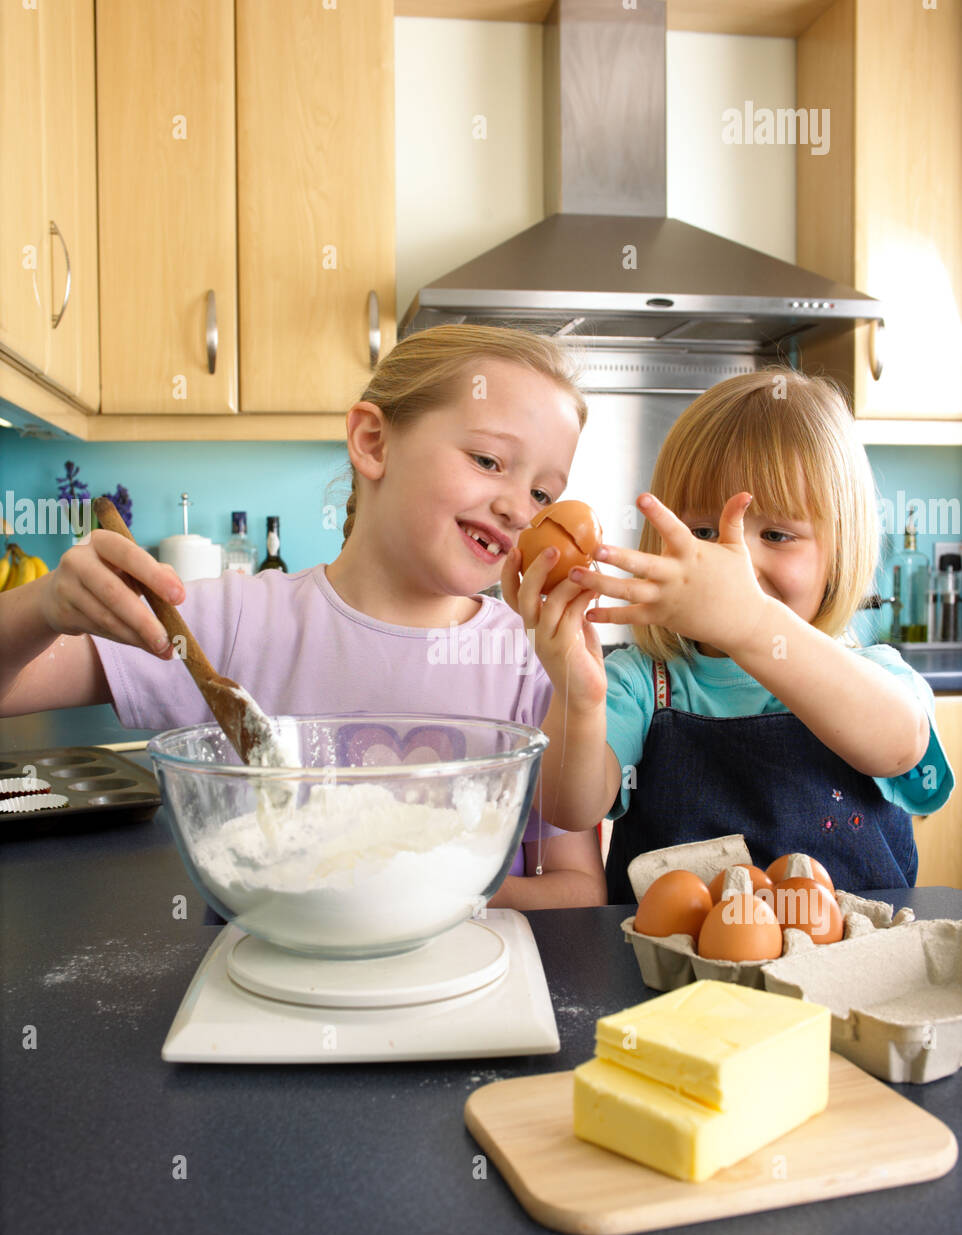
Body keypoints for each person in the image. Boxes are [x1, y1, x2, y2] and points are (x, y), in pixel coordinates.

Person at [0, 325, 606, 910]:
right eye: (489, 460)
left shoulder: (530, 659)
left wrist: (410, 888)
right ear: (373, 442)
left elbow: (579, 887)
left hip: (474, 996)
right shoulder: (231, 623)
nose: (518, 509)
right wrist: (45, 606)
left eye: (543, 495)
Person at [504, 366, 955, 899]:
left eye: (778, 534)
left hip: (851, 975)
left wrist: (751, 623)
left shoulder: (872, 675)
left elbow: (901, 749)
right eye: (702, 532)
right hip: (672, 977)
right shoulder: (642, 683)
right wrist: (578, 699)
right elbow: (567, 806)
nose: (735, 561)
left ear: (838, 555)